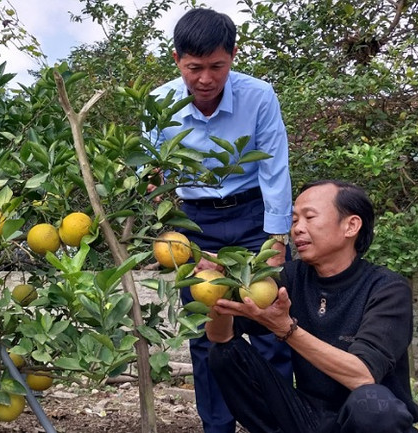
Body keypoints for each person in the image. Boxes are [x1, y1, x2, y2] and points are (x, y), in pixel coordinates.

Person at [146, 8, 293, 433]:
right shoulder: (158, 104)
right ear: (177, 60)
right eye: (194, 68)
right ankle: (217, 426)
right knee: (207, 330)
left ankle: (275, 422)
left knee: (268, 326)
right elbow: (154, 180)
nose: (205, 79)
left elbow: (274, 169)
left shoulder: (259, 96)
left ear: (232, 56)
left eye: (217, 66)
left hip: (253, 218)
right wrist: (176, 236)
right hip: (195, 222)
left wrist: (276, 237)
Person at [207, 180, 418, 433]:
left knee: (371, 403)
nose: (298, 229)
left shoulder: (386, 288)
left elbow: (362, 375)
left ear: (351, 226)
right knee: (225, 355)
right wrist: (219, 289)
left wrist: (286, 328)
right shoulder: (289, 277)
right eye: (295, 220)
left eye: (309, 217)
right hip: (310, 418)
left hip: (369, 421)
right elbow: (219, 335)